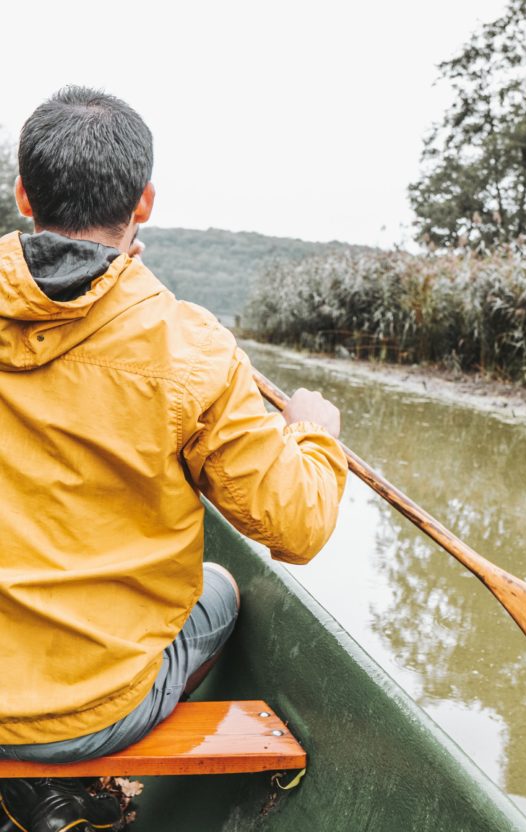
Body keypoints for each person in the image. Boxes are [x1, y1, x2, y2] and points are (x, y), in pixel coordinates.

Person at [0, 87, 347, 832]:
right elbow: (300, 526)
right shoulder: (190, 344)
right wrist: (313, 432)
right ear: (145, 202)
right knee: (219, 584)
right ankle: (85, 784)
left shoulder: (182, 339)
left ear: (24, 193)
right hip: (86, 717)